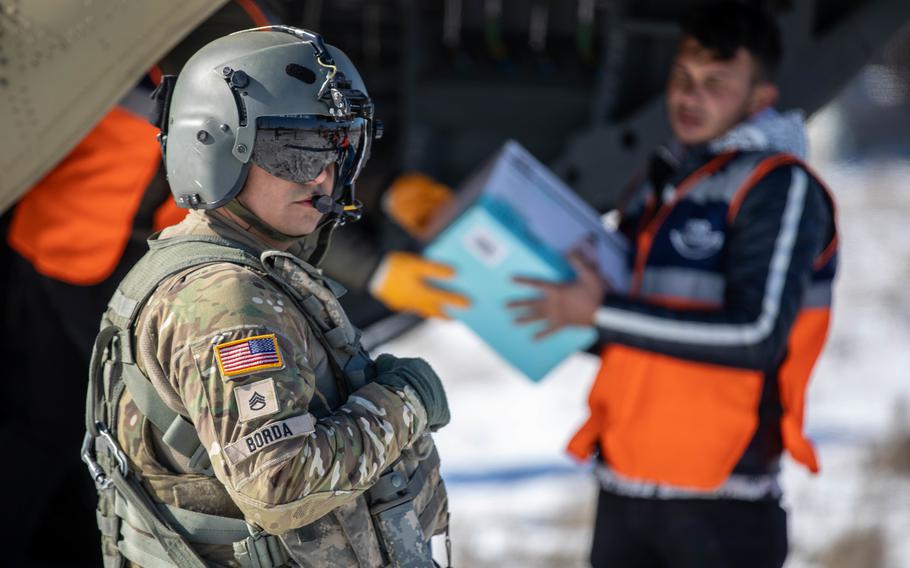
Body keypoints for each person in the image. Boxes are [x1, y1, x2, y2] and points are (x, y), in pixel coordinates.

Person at [82, 25, 451, 568]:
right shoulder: (225, 298)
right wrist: (406, 404)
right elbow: (281, 483)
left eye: (340, 147)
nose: (325, 177)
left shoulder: (236, 265)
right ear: (214, 145)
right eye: (296, 152)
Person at [509, 3, 838, 567]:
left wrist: (599, 314)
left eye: (715, 84)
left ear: (760, 98)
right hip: (623, 493)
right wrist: (546, 305)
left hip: (723, 507)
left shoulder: (780, 187)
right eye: (682, 78)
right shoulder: (656, 185)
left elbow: (757, 336)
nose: (690, 97)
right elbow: (627, 331)